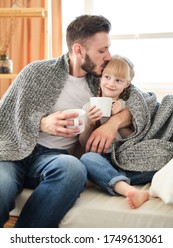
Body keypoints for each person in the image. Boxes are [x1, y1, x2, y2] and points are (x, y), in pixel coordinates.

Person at [0, 15, 132, 228]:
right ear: (79, 50)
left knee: (73, 169)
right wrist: (41, 123)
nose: (108, 56)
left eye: (108, 48)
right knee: (2, 185)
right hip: (12, 153)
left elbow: (142, 102)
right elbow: (3, 116)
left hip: (52, 158)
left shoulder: (104, 78)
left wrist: (112, 123)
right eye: (101, 51)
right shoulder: (37, 71)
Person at [80, 55, 155, 209]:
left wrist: (118, 121)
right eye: (107, 77)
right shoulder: (89, 107)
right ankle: (128, 190)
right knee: (87, 159)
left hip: (127, 159)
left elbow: (133, 138)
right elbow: (83, 143)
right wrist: (90, 123)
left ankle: (101, 179)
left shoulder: (127, 106)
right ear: (100, 78)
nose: (111, 84)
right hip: (104, 159)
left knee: (157, 163)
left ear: (127, 84)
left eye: (118, 80)